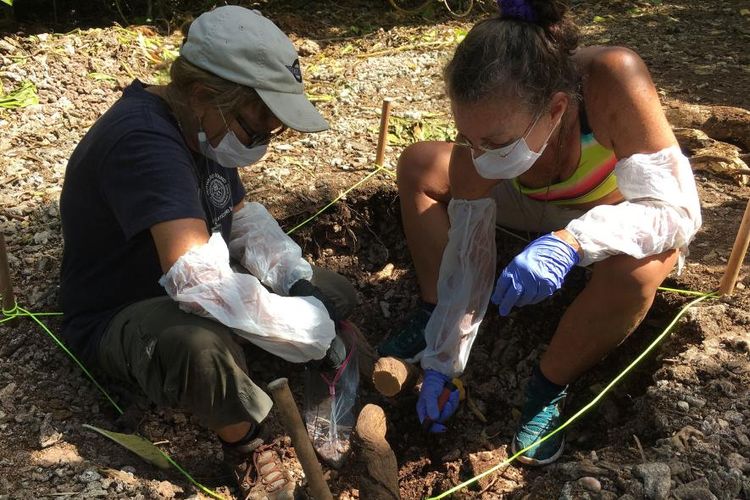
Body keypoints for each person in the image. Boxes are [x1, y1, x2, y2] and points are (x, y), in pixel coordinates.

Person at [378, 0, 701, 465]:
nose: (478, 153)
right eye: (468, 137)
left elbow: (677, 211)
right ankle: (428, 314)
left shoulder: (612, 78)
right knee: (420, 164)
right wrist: (442, 358)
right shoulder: (483, 140)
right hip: (526, 205)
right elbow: (467, 253)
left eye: (495, 142)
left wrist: (575, 241)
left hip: (602, 209)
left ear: (555, 109)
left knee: (642, 270)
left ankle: (549, 384)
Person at [59, 6, 357, 499]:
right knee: (202, 349)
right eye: (256, 128)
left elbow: (239, 219)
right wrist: (299, 325)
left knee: (332, 292)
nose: (262, 142)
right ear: (202, 94)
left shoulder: (202, 128)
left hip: (187, 283)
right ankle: (244, 443)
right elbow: (198, 280)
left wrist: (295, 284)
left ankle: (263, 362)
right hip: (124, 311)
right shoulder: (145, 143)